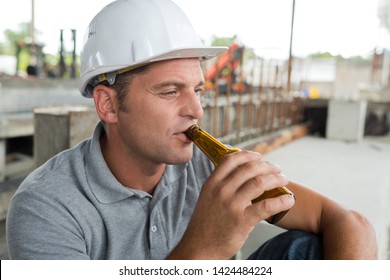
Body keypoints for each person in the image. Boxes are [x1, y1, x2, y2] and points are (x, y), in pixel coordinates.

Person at [6, 0, 377, 260]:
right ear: (108, 104)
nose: (196, 110)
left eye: (197, 90)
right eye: (169, 91)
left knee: (307, 250)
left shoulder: (208, 166)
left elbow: (350, 222)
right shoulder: (45, 207)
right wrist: (205, 248)